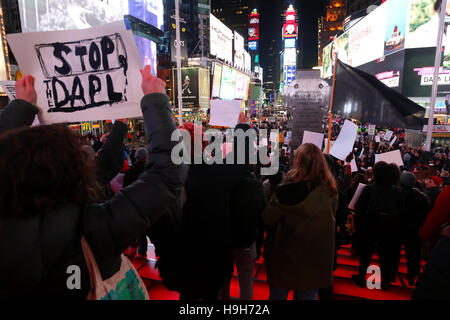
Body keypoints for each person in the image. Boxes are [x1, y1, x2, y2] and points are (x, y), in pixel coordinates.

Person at [0, 66, 187, 299]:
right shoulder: (93, 229)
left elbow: (166, 172)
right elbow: (168, 174)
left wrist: (19, 107)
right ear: (77, 170)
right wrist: (156, 100)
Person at [262, 143, 338, 300]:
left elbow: (267, 218)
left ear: (298, 162)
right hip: (315, 259)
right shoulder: (331, 192)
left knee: (278, 296)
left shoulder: (285, 191)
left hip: (286, 256)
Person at [220, 121, 267, 300]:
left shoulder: (219, 175)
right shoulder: (253, 183)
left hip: (224, 238)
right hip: (246, 240)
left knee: (223, 281)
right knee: (246, 283)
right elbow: (263, 212)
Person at [352, 162, 405, 291]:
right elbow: (402, 211)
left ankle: (361, 277)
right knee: (386, 254)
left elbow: (359, 209)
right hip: (389, 227)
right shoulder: (397, 192)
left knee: (366, 254)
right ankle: (386, 282)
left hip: (369, 224)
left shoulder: (369, 189)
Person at [398, 171, 430, 286]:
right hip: (413, 229)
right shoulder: (421, 197)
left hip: (398, 227)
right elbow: (425, 215)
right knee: (413, 254)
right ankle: (412, 274)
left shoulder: (397, 194)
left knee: (394, 251)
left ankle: (391, 273)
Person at [122, 147, 150, 257]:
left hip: (135, 205)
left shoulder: (130, 171)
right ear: (146, 157)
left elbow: (125, 189)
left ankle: (142, 251)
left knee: (141, 231)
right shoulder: (150, 170)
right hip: (150, 204)